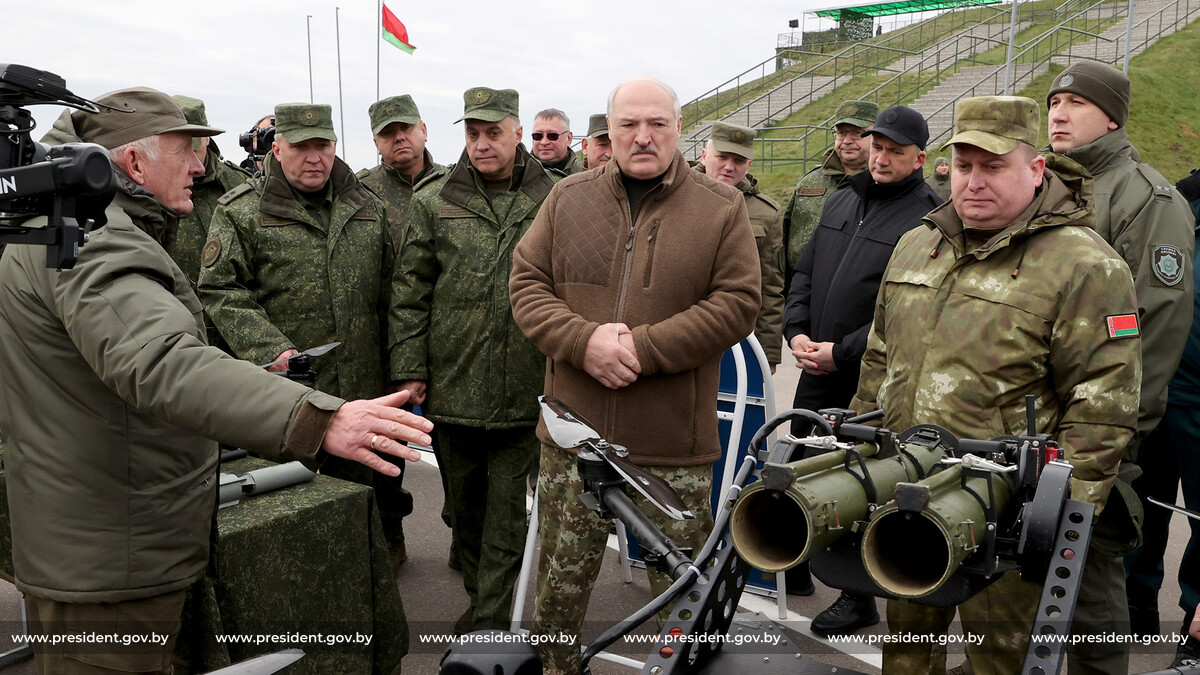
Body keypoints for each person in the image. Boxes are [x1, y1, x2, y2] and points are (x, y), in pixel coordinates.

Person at [0, 87, 433, 675]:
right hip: (112, 555)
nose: (202, 167)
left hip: (94, 530)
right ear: (133, 162)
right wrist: (317, 416)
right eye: (186, 152)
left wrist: (255, 378)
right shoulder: (94, 241)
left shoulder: (58, 226)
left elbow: (108, 362)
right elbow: (161, 363)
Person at [863, 95, 1141, 675]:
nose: (973, 183)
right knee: (907, 653)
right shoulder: (919, 245)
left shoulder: (1086, 266)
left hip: (1007, 518)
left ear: (1036, 169)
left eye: (993, 167)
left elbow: (1103, 410)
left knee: (1002, 661)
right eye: (963, 167)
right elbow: (878, 362)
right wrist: (865, 465)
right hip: (908, 498)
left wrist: (1058, 527)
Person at [510, 76, 760, 675]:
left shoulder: (721, 208)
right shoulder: (567, 199)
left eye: (657, 124)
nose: (642, 137)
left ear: (679, 128)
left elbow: (737, 302)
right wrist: (583, 341)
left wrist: (642, 350)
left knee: (682, 605)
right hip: (574, 442)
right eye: (628, 125)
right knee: (557, 605)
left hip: (673, 447)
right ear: (610, 128)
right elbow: (526, 285)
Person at [197, 103, 408, 567]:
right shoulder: (242, 213)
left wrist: (403, 368)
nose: (314, 157)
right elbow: (220, 288)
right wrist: (273, 349)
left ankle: (378, 564)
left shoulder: (366, 209)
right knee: (295, 500)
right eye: (301, 146)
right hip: (290, 392)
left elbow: (395, 294)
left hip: (364, 385)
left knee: (374, 492)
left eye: (323, 146)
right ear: (277, 147)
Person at [1041, 61, 1194, 672]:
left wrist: (1116, 427)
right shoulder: (1042, 184)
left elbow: (1154, 327)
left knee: (1088, 568)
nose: (1057, 112)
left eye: (1075, 101)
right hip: (1029, 420)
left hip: (1096, 428)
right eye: (1054, 100)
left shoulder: (1146, 198)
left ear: (1110, 117)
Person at [393, 87, 558, 634]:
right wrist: (411, 370)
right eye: (473, 134)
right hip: (454, 384)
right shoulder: (433, 200)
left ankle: (491, 620)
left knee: (507, 513)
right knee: (464, 512)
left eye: (493, 133)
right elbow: (411, 290)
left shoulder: (556, 197)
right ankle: (480, 594)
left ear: (517, 133)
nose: (482, 144)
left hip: (524, 385)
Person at [785, 104, 940, 633]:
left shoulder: (928, 217)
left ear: (920, 157)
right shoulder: (840, 199)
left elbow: (903, 313)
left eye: (896, 150)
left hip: (870, 378)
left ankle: (855, 596)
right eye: (879, 146)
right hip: (816, 366)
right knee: (801, 466)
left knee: (859, 481)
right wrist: (797, 332)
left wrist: (842, 351)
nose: (883, 157)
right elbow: (804, 272)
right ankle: (796, 567)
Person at [696, 121, 785, 368]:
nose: (728, 167)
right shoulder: (674, 195)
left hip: (735, 341)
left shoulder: (766, 213)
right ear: (704, 156)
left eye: (738, 161)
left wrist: (768, 355)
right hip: (676, 333)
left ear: (748, 165)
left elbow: (770, 288)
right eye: (722, 157)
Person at [781, 99, 878, 288]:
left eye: (858, 133)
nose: (847, 141)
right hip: (801, 295)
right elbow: (784, 245)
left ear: (876, 135)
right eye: (841, 133)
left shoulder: (882, 184)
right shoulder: (809, 183)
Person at [167, 95, 251, 285]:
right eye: (180, 151)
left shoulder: (240, 184)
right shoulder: (152, 188)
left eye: (193, 149)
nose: (190, 163)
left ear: (207, 138)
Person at [358, 94, 449, 244]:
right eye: (388, 132)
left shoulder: (452, 185)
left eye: (406, 127)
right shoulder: (360, 191)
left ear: (424, 131)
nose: (399, 137)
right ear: (376, 144)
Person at [530, 108, 581, 175]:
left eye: (552, 136)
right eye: (538, 136)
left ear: (569, 138)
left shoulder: (585, 177)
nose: (544, 142)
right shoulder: (517, 175)